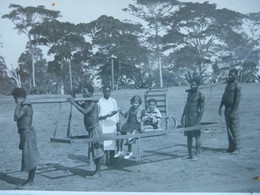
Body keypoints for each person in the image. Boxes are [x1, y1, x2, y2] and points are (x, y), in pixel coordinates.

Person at [67, 84, 104, 178]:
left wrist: (73, 103)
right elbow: (80, 106)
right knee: (93, 151)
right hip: (91, 130)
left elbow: (85, 111)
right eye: (82, 91)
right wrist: (73, 99)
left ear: (91, 93)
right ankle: (96, 171)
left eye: (85, 92)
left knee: (97, 151)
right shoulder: (87, 102)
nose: (83, 93)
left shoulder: (92, 102)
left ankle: (98, 172)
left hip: (95, 129)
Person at [11, 88, 40, 188]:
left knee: (31, 157)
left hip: (28, 134)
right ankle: (29, 180)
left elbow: (16, 117)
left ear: (20, 97)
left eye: (15, 98)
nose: (15, 100)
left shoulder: (26, 106)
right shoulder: (24, 106)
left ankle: (30, 182)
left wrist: (18, 104)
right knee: (28, 157)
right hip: (24, 133)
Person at [218, 68, 241, 154]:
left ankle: (237, 148)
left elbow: (237, 100)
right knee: (228, 128)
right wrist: (220, 107)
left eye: (232, 74)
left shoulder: (237, 85)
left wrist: (233, 112)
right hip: (226, 109)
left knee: (234, 128)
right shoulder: (228, 84)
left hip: (233, 109)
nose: (230, 76)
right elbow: (224, 96)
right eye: (229, 74)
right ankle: (231, 147)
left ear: (236, 75)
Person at [181, 79, 205, 159]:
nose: (192, 86)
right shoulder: (189, 93)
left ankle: (197, 154)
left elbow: (201, 110)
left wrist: (198, 122)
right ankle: (190, 155)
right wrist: (182, 116)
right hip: (188, 117)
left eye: (194, 85)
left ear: (198, 85)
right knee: (189, 136)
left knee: (197, 136)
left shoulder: (200, 95)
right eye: (191, 85)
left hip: (195, 117)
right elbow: (186, 105)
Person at [114, 95, 143, 159]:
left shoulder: (141, 109)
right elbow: (126, 115)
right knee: (119, 134)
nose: (135, 105)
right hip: (129, 123)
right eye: (133, 103)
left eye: (136, 103)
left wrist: (142, 127)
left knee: (128, 134)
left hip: (136, 124)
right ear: (131, 103)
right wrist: (121, 112)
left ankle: (129, 152)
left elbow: (143, 118)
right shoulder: (131, 108)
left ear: (139, 103)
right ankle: (120, 150)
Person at [98, 86, 119, 165]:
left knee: (112, 142)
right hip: (103, 124)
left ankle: (113, 160)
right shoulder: (99, 101)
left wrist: (117, 124)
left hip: (112, 124)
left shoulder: (113, 101)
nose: (107, 93)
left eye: (109, 91)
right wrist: (104, 117)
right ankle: (104, 160)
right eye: (106, 91)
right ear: (103, 92)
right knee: (104, 142)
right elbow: (98, 115)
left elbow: (116, 114)